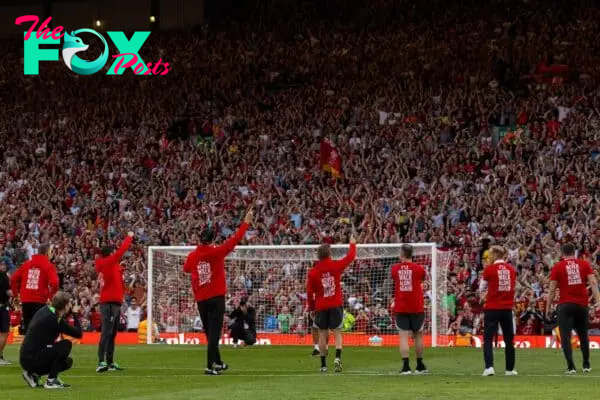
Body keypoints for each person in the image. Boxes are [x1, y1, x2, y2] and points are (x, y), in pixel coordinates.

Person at [183, 209, 253, 375]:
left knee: (209, 332)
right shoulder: (216, 252)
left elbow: (186, 269)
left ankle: (218, 362)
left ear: (199, 238)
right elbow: (235, 239)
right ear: (212, 239)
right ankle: (209, 366)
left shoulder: (193, 256)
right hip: (216, 298)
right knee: (214, 333)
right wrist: (246, 222)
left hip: (201, 299)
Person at [546, 243, 600, 374]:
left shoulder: (557, 266)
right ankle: (586, 364)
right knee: (583, 335)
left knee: (565, 336)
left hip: (565, 304)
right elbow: (593, 282)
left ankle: (571, 367)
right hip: (582, 304)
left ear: (562, 253)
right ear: (574, 252)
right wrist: (598, 300)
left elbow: (552, 289)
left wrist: (548, 306)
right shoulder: (584, 264)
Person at [306, 237, 357, 373]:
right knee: (337, 333)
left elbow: (309, 293)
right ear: (329, 254)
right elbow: (350, 257)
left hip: (321, 306)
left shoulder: (313, 272)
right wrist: (352, 243)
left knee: (323, 334)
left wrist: (311, 308)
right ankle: (337, 358)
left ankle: (323, 365)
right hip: (335, 304)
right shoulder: (335, 266)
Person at [20, 291, 82, 389]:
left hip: (27, 357)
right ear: (65, 305)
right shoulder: (54, 319)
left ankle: (33, 374)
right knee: (66, 345)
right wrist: (74, 313)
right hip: (32, 357)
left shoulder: (45, 310)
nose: (71, 305)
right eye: (70, 303)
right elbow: (78, 334)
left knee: (66, 362)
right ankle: (51, 381)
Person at [95, 232, 134, 373]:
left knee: (112, 333)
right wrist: (129, 236)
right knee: (106, 331)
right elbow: (122, 250)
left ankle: (110, 362)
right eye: (113, 252)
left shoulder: (108, 264)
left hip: (115, 302)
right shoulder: (108, 262)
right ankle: (101, 361)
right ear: (110, 254)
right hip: (109, 303)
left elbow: (115, 276)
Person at [479, 246, 517, 376]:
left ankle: (489, 367)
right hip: (507, 308)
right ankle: (510, 369)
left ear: (495, 255)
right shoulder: (511, 270)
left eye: (490, 254)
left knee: (488, 338)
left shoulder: (489, 270)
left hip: (492, 308)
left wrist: (485, 295)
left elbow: (481, 288)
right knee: (509, 339)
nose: (489, 257)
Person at [391, 244, 428, 375]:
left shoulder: (395, 269)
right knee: (418, 336)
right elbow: (423, 279)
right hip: (416, 306)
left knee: (403, 337)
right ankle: (419, 365)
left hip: (401, 307)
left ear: (401, 255)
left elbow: (395, 279)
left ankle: (406, 366)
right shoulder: (419, 269)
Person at [10, 244, 59, 335]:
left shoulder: (26, 264)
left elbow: (13, 279)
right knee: (41, 330)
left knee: (29, 330)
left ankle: (27, 349)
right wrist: (50, 297)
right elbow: (55, 283)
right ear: (47, 252)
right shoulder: (48, 266)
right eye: (51, 252)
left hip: (26, 301)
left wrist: (16, 296)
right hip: (40, 301)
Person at [0, 261, 12, 365]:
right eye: (2, 265)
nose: (4, 266)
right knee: (4, 333)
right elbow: (9, 292)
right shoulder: (3, 276)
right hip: (2, 307)